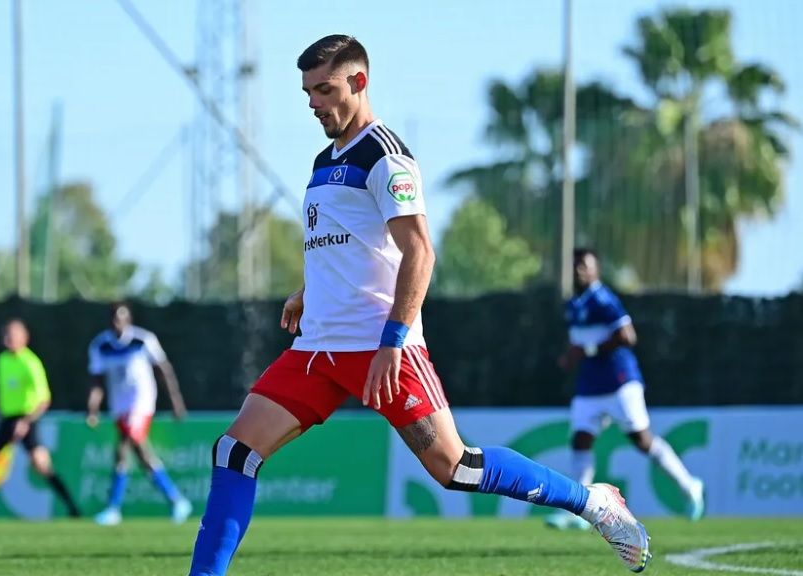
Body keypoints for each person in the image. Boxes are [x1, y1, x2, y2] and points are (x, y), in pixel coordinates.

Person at [187, 35, 651, 575]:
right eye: (308, 91)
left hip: (384, 348)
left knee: (457, 468)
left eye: (324, 89)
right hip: (318, 348)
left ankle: (592, 502)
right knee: (234, 452)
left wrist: (392, 342)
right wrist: (309, 289)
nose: (313, 102)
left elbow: (419, 251)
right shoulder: (323, 159)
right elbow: (351, 243)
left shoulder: (386, 155)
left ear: (358, 82)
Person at [545, 248, 705, 530]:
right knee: (580, 441)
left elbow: (627, 335)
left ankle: (689, 485)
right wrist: (569, 356)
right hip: (589, 386)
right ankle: (578, 511)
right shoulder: (573, 304)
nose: (579, 270)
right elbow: (577, 342)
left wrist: (589, 350)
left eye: (585, 265)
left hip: (619, 381)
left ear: (597, 270)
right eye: (574, 265)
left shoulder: (604, 299)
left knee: (641, 441)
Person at [87, 303, 192, 526]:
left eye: (122, 318)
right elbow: (96, 381)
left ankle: (113, 508)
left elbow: (164, 369)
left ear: (129, 320)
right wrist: (93, 408)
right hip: (119, 406)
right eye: (114, 319)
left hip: (141, 403)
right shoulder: (100, 345)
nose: (118, 323)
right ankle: (176, 499)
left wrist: (176, 401)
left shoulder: (143, 340)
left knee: (124, 446)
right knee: (138, 454)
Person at [0, 318, 80, 518]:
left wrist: (26, 422)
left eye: (13, 334)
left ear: (25, 338)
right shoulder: (1, 361)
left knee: (41, 465)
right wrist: (0, 416)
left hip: (27, 419)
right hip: (7, 419)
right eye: (6, 335)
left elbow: (44, 399)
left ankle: (72, 508)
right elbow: (4, 394)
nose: (9, 338)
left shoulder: (31, 363)